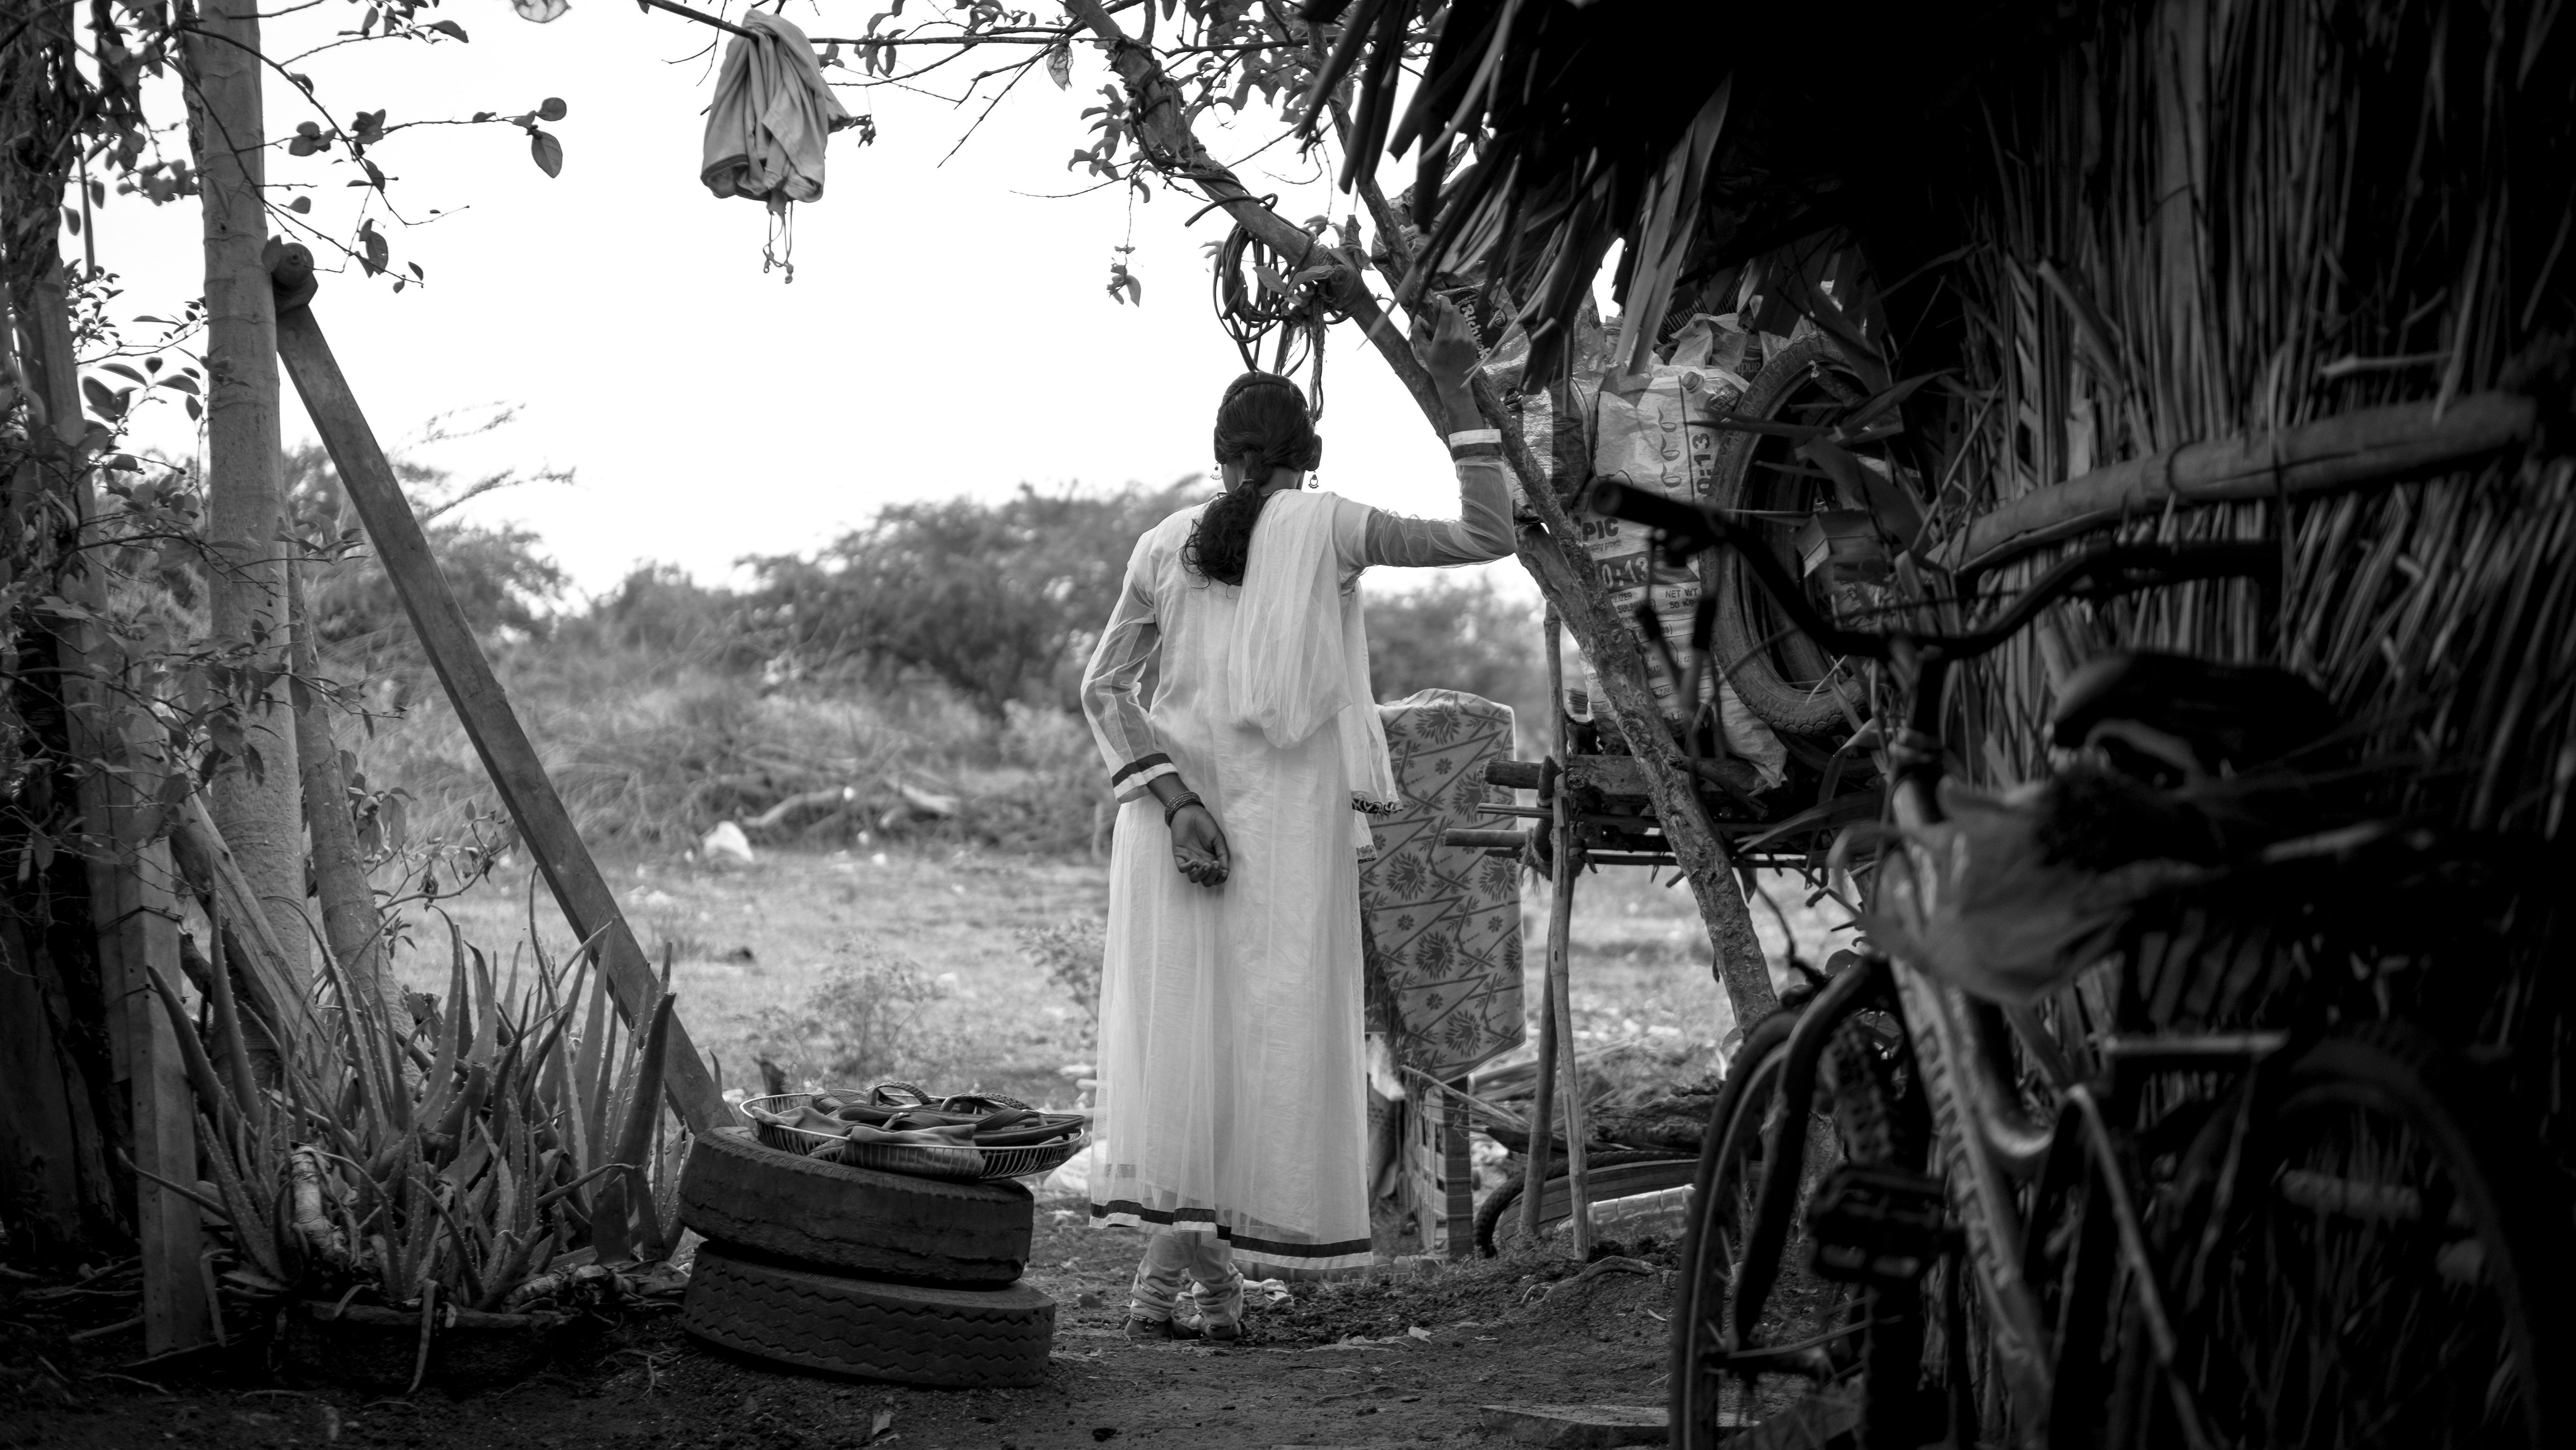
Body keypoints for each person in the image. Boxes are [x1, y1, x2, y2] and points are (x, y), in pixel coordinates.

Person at [1078, 296, 1511, 1341]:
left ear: (1218, 455)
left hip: (1172, 832)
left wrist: (1176, 803)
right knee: (1263, 1045)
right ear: (1305, 458)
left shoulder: (1160, 544)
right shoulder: (1334, 528)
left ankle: (1183, 1287)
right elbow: (1485, 533)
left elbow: (1105, 691)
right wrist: (1463, 403)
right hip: (1282, 834)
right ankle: (1203, 1287)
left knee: (1185, 1047)